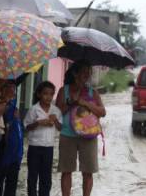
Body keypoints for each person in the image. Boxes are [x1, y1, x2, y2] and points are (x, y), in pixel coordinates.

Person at [55, 60, 106, 196]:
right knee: (66, 170)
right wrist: (72, 102)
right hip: (67, 134)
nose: (87, 75)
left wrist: (85, 103)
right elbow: (58, 112)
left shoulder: (92, 92)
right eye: (84, 72)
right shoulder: (63, 91)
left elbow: (102, 112)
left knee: (88, 172)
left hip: (88, 136)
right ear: (75, 73)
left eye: (88, 72)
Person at [24, 81, 62, 196]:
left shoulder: (56, 110)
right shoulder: (33, 109)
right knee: (32, 176)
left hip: (48, 148)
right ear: (39, 94)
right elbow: (26, 127)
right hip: (34, 147)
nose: (48, 97)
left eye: (51, 94)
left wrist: (55, 120)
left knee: (46, 177)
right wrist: (38, 123)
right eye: (45, 94)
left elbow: (60, 128)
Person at [0, 97, 24, 196]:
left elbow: (20, 133)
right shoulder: (2, 106)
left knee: (11, 183)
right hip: (4, 152)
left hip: (16, 154)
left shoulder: (15, 111)